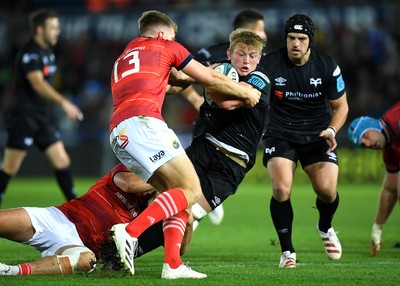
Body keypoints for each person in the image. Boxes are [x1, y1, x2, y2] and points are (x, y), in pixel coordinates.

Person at [108, 10, 260, 279]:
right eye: (172, 37)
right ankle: (130, 233)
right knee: (190, 188)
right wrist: (246, 93)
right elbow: (210, 81)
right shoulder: (166, 45)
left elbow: (175, 81)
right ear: (162, 34)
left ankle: (172, 265)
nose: (173, 40)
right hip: (145, 124)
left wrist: (203, 71)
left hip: (119, 133)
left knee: (178, 198)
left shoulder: (126, 56)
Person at [260, 14, 349, 268]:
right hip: (280, 132)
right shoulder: (270, 64)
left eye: (301, 38)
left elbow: (341, 107)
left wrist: (332, 130)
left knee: (327, 191)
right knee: (281, 189)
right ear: (285, 39)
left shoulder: (326, 66)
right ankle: (287, 252)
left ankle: (325, 227)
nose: (295, 44)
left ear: (310, 40)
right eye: (291, 38)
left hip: (318, 133)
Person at [0, 163, 194, 276]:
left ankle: (11, 271)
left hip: (78, 245)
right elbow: (128, 185)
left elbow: (181, 250)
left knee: (86, 261)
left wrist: (189, 219)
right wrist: (165, 183)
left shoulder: (154, 217)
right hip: (58, 217)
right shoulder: (128, 172)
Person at [182, 8, 268, 226]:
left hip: (236, 138)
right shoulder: (214, 54)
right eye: (260, 30)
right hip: (208, 129)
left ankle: (193, 217)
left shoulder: (261, 62)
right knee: (184, 194)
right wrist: (195, 98)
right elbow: (185, 74)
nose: (264, 35)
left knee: (189, 211)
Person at [0, 9, 83, 206]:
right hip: (25, 116)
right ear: (39, 30)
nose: (57, 32)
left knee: (62, 160)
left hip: (43, 117)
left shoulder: (48, 52)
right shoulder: (29, 53)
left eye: (57, 28)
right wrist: (63, 102)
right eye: (53, 28)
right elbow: (37, 83)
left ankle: (78, 208)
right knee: (10, 166)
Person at [347, 101, 400, 256]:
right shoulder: (390, 150)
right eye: (363, 145)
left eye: (365, 136)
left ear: (373, 125)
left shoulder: (396, 121)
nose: (367, 144)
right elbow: (390, 191)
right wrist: (377, 228)